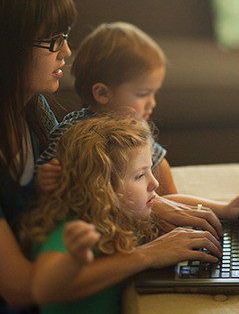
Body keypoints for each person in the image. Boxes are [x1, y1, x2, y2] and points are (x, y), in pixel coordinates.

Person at [37, 22, 239, 226]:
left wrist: (225, 209)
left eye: (154, 93)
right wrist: (44, 178)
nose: (152, 103)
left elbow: (168, 199)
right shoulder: (72, 134)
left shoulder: (138, 135)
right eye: (143, 94)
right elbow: (41, 186)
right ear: (102, 93)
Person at [22, 113, 223, 314]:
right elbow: (42, 291)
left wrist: (225, 209)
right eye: (140, 175)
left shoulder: (123, 214)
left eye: (150, 170)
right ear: (101, 188)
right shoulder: (75, 227)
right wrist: (74, 261)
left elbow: (171, 203)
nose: (155, 183)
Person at [0, 0, 100, 312]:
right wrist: (144, 256)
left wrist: (157, 209)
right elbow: (22, 289)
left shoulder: (34, 108)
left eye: (65, 37)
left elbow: (79, 185)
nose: (67, 52)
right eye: (52, 40)